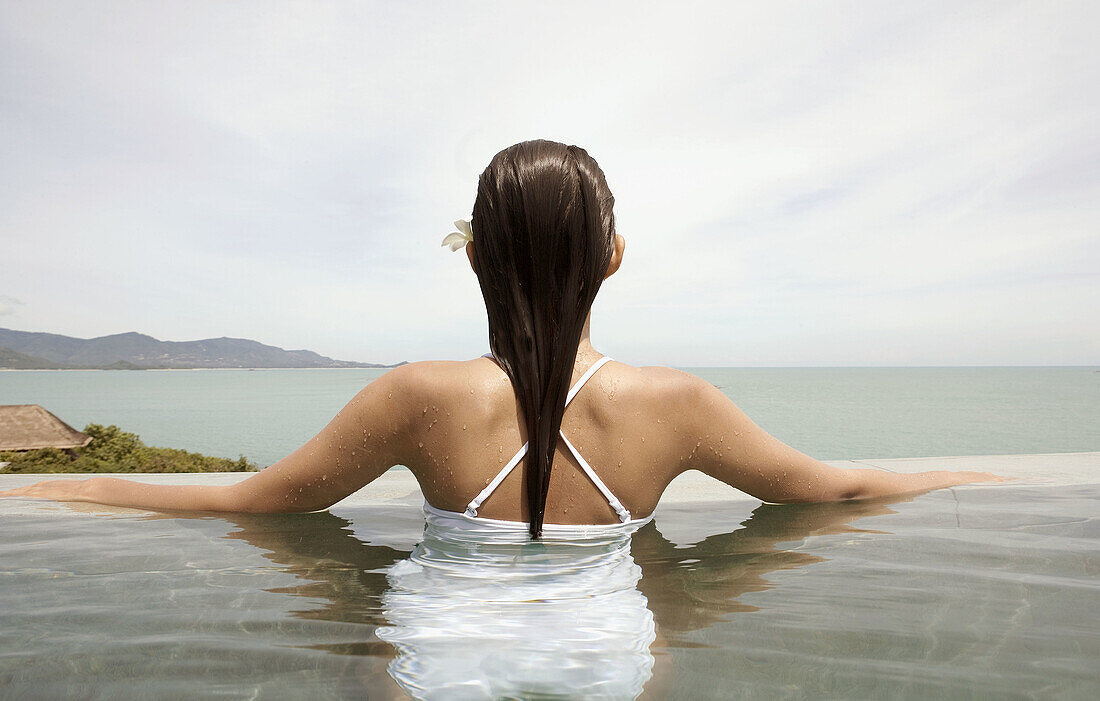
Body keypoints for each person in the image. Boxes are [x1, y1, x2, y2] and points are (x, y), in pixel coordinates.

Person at [0, 139, 1003, 536]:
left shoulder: (416, 397)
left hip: (444, 648)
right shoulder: (677, 407)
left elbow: (248, 498)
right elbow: (835, 488)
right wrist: (971, 482)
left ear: (473, 258)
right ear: (611, 257)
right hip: (605, 653)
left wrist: (60, 483)